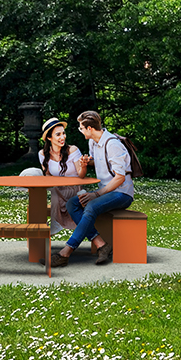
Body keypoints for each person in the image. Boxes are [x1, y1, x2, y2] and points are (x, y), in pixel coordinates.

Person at [50, 110, 134, 268]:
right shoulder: (93, 142)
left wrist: (96, 194)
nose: (80, 131)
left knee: (91, 206)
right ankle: (102, 245)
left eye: (81, 128)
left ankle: (65, 253)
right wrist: (86, 162)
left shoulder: (113, 144)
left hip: (122, 193)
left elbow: (120, 177)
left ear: (89, 128)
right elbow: (99, 161)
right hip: (106, 192)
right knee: (72, 204)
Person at [37, 117, 86, 234]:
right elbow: (47, 175)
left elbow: (81, 175)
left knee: (54, 192)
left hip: (74, 188)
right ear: (49, 138)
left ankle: (56, 222)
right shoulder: (42, 154)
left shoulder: (72, 150)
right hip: (58, 188)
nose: (63, 137)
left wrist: (83, 165)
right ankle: (50, 223)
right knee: (51, 189)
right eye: (58, 134)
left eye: (63, 133)